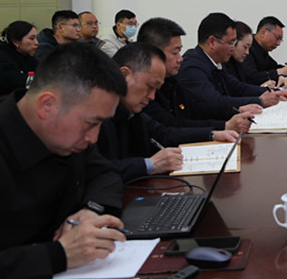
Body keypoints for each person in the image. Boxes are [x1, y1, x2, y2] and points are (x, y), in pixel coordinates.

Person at [0, 43, 128, 279]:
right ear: (47, 105)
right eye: (91, 123)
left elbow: (105, 173)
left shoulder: (68, 136)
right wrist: (59, 255)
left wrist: (91, 210)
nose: (93, 137)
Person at [97, 42, 239, 184]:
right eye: (150, 86)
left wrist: (212, 134)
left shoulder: (132, 111)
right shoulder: (96, 115)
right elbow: (95, 171)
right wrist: (150, 165)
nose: (152, 97)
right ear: (124, 74)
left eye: (156, 90)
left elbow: (164, 134)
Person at [138, 17, 259, 133]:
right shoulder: (191, 67)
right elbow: (171, 126)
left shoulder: (171, 80)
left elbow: (196, 108)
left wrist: (237, 110)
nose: (180, 59)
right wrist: (222, 127)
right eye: (175, 53)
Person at [176, 13, 287, 112]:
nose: (233, 48)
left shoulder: (216, 63)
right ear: (212, 42)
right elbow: (215, 101)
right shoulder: (192, 67)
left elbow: (238, 88)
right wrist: (260, 101)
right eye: (231, 43)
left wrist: (275, 93)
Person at [0, 20, 39, 96]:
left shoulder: (25, 55)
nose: (36, 42)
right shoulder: (1, 60)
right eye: (32, 38)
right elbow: (22, 83)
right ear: (16, 42)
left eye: (36, 38)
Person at [241, 16, 287, 85]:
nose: (278, 43)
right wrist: (280, 72)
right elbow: (251, 77)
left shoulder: (261, 49)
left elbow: (273, 67)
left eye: (280, 40)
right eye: (277, 38)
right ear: (263, 32)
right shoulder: (247, 48)